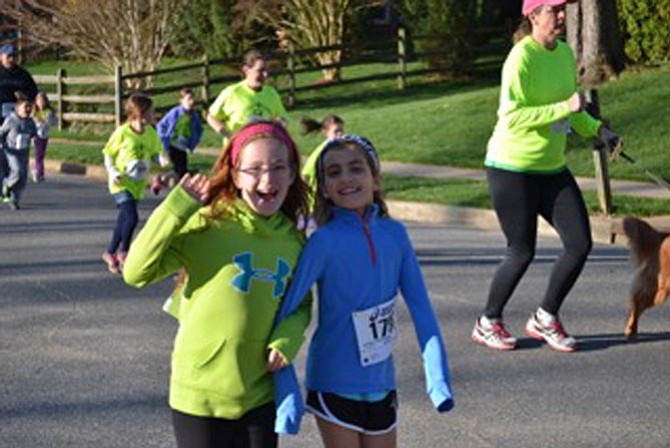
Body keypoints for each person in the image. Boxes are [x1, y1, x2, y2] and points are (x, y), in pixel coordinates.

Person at [122, 120, 311, 448]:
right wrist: (176, 208)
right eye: (254, 169)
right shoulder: (207, 224)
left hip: (259, 395)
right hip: (199, 396)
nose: (267, 179)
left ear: (293, 174)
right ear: (235, 175)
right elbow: (135, 272)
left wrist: (287, 340)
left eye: (278, 167)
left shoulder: (294, 242)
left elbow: (302, 304)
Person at [268, 135, 454, 448]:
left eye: (356, 169)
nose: (346, 179)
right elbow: (286, 309)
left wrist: (438, 381)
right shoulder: (322, 242)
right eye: (334, 173)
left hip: (381, 382)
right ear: (324, 187)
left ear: (376, 179)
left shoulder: (396, 235)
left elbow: (423, 311)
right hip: (333, 381)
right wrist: (287, 395)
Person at [471, 0, 620, 353]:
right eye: (553, 10)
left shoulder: (565, 53)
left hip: (551, 169)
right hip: (512, 169)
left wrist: (599, 130)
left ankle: (545, 316)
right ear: (534, 16)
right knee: (521, 251)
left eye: (563, 9)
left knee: (580, 243)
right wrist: (562, 108)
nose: (561, 16)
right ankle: (488, 321)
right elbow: (511, 116)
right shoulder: (521, 58)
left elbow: (573, 110)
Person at [101, 93, 166, 274]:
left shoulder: (151, 133)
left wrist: (162, 159)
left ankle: (109, 252)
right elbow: (108, 153)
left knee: (124, 219)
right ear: (140, 113)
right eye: (152, 111)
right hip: (120, 182)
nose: (155, 115)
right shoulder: (122, 132)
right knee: (132, 217)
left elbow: (156, 153)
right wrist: (112, 171)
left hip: (138, 182)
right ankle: (124, 252)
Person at [206, 49, 289, 143]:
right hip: (238, 150)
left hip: (264, 148)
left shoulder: (271, 93)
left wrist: (280, 123)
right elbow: (211, 117)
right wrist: (229, 135)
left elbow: (283, 118)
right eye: (260, 70)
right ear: (246, 70)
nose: (265, 75)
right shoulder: (232, 92)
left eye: (266, 70)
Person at [0, 43, 37, 192]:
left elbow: (33, 92)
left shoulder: (23, 74)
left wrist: (24, 97)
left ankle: (11, 186)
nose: (11, 59)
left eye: (14, 56)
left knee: (17, 152)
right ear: (1, 57)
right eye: (8, 56)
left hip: (17, 118)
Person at [156, 88, 203, 181]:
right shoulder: (175, 113)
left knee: (182, 171)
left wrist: (195, 140)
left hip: (183, 146)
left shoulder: (194, 116)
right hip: (172, 145)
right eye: (188, 99)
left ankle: (162, 179)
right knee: (181, 170)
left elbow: (199, 129)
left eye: (193, 99)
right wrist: (163, 137)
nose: (191, 102)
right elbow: (161, 124)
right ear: (181, 101)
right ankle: (163, 180)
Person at [0, 94, 36, 210]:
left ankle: (14, 200)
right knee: (17, 171)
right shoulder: (11, 120)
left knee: (23, 178)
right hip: (11, 152)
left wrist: (35, 138)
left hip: (24, 152)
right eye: (25, 107)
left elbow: (34, 134)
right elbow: (1, 132)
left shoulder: (30, 122)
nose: (28, 110)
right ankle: (6, 184)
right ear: (18, 108)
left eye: (29, 107)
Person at [300, 114, 345, 198]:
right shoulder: (322, 152)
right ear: (325, 133)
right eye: (336, 131)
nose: (340, 135)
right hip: (318, 199)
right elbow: (305, 175)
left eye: (342, 131)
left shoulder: (338, 151)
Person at [31, 91, 57, 183]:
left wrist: (47, 121)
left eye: (42, 101)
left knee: (41, 154)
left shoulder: (48, 112)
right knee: (38, 154)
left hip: (44, 135)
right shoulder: (34, 112)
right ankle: (36, 172)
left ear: (46, 102)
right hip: (35, 136)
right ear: (36, 102)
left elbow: (54, 122)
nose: (41, 103)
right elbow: (31, 122)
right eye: (39, 101)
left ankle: (40, 173)